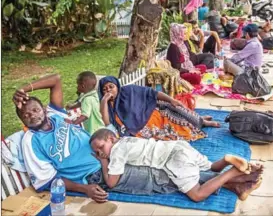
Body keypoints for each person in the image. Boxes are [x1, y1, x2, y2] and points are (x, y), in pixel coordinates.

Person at [12, 74, 183, 203]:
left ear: (43, 108)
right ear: (22, 120)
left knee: (161, 157)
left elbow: (56, 79)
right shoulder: (31, 141)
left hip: (113, 149)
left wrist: (23, 90)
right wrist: (84, 189)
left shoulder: (55, 114)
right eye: (26, 115)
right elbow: (48, 181)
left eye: (35, 110)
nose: (32, 116)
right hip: (98, 173)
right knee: (159, 178)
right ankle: (204, 184)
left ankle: (202, 174)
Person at [90, 128, 264, 202]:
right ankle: (226, 160)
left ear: (112, 139)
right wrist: (105, 154)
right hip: (177, 146)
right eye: (97, 152)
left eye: (101, 147)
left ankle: (232, 172)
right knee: (209, 167)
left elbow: (112, 182)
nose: (101, 153)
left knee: (197, 195)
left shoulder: (117, 151)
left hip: (173, 160)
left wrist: (104, 161)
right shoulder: (126, 139)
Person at [98, 75, 220, 141]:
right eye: (105, 89)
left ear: (117, 86)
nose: (109, 90)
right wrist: (104, 101)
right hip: (141, 130)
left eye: (111, 86)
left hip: (154, 113)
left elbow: (153, 94)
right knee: (180, 129)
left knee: (175, 109)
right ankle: (200, 120)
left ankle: (202, 121)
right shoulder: (107, 105)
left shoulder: (129, 91)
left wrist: (172, 100)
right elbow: (107, 123)